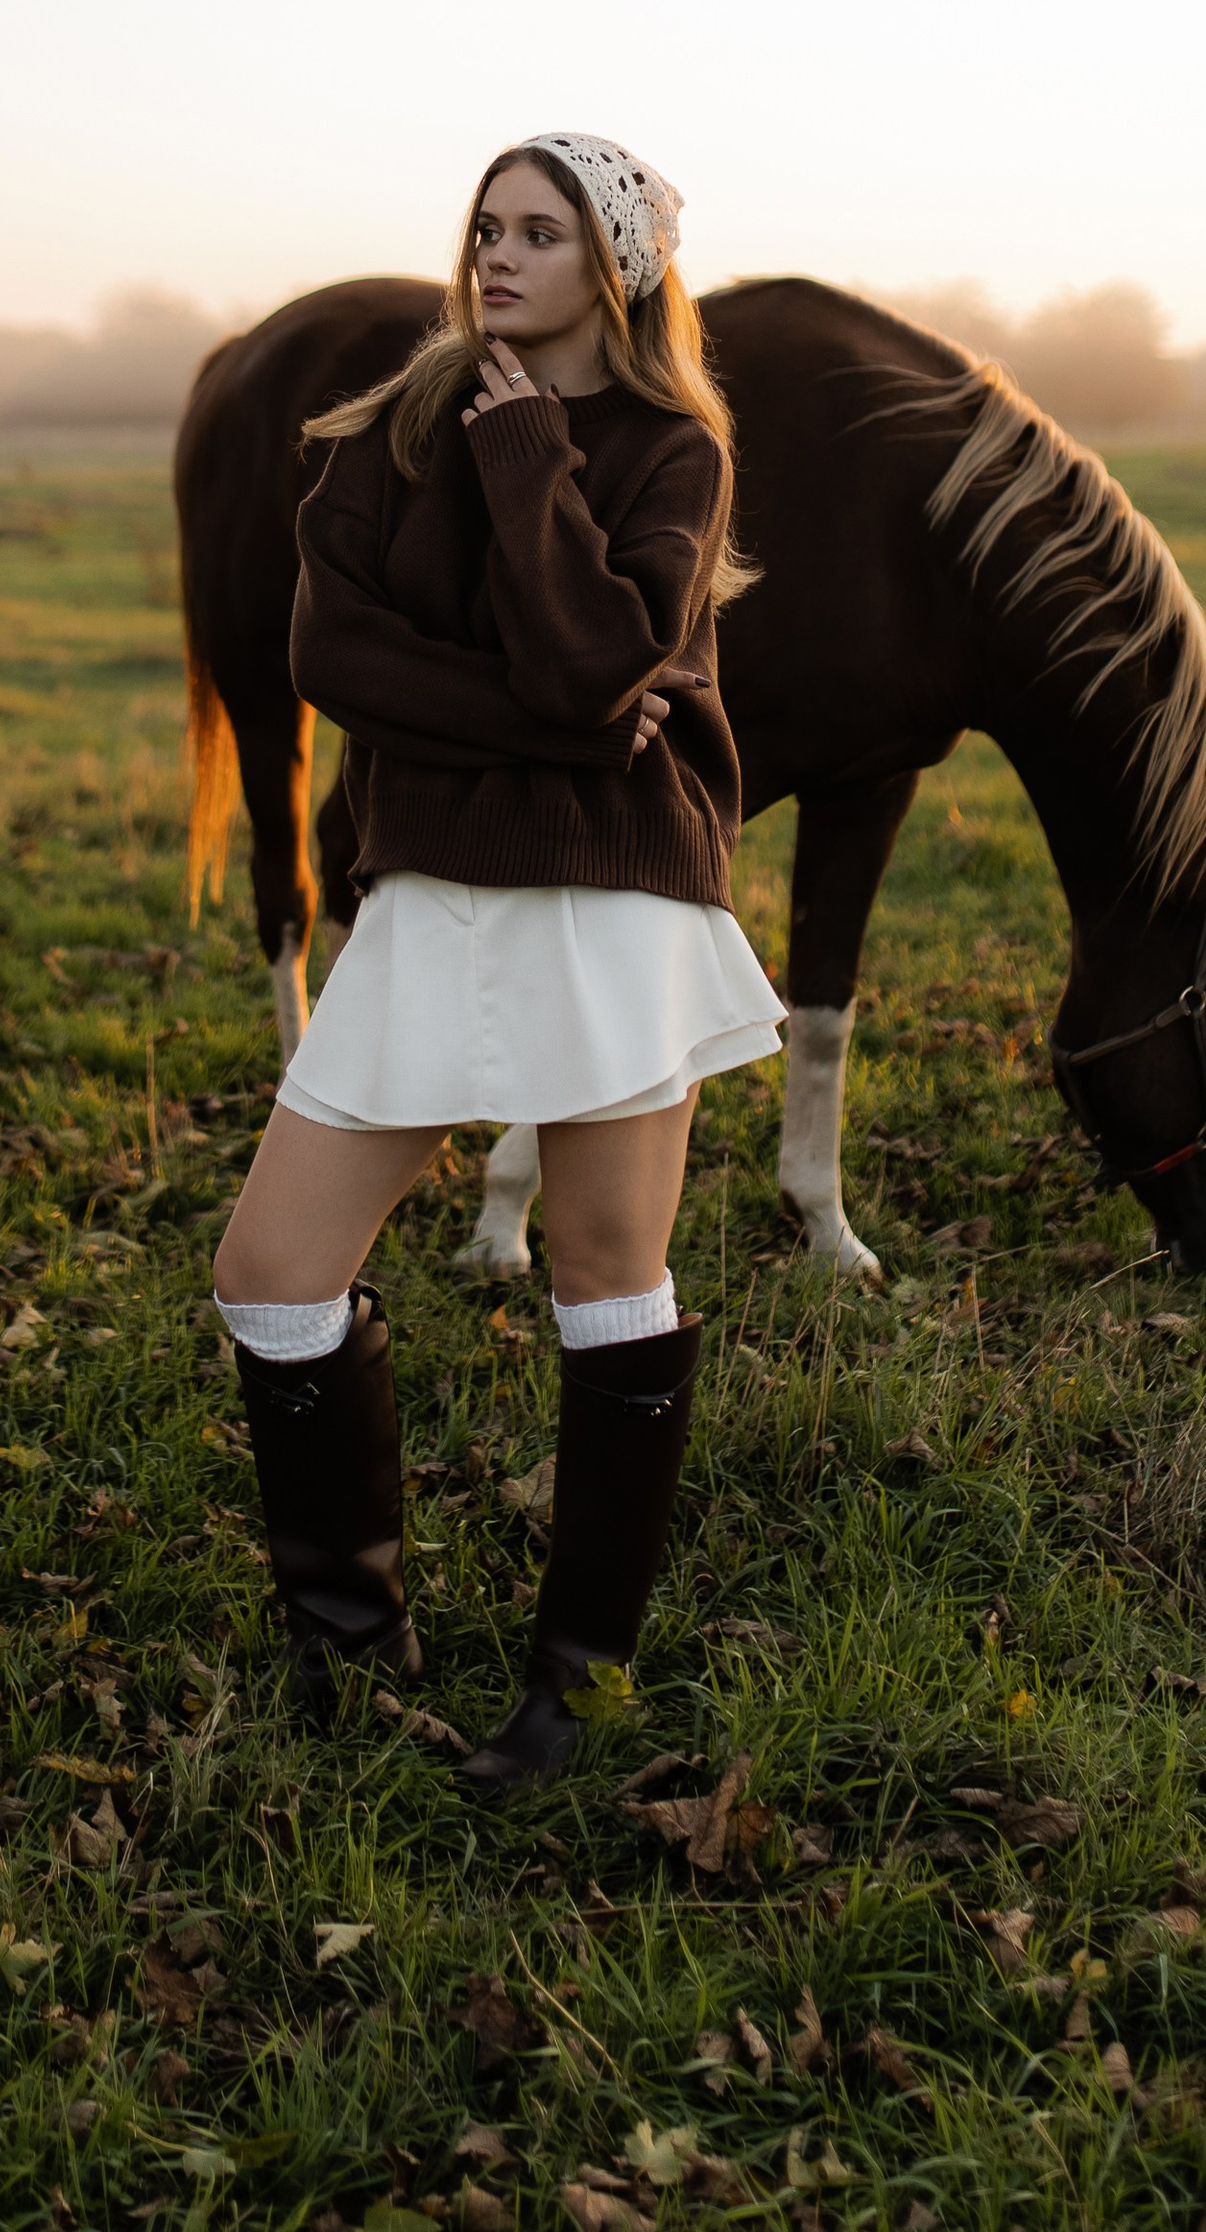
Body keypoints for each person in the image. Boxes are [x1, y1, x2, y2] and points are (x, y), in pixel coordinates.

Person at [208, 132, 782, 1787]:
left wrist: (533, 460)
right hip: (431, 887)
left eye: (539, 233)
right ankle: (350, 1650)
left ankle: (575, 1689)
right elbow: (335, 653)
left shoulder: (673, 454)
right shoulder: (391, 428)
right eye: (486, 228)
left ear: (620, 268)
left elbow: (595, 647)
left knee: (605, 1275)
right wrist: (569, 723)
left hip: (613, 895)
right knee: (271, 1270)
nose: (497, 258)